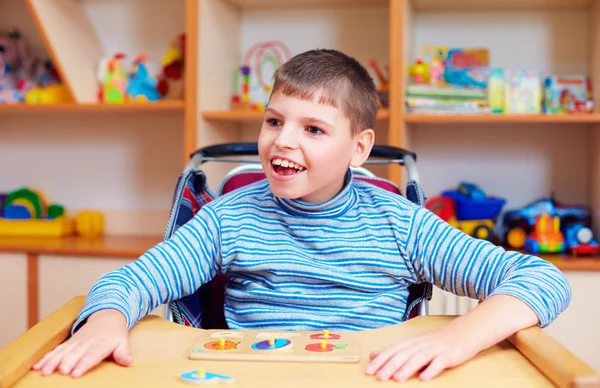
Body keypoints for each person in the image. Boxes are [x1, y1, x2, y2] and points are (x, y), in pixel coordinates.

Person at [33, 49, 571, 382]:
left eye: (313, 129)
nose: (281, 141)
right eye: (273, 121)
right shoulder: (231, 216)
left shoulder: (399, 224)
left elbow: (541, 278)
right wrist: (105, 320)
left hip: (371, 377)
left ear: (359, 150)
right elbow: (134, 278)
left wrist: (458, 338)